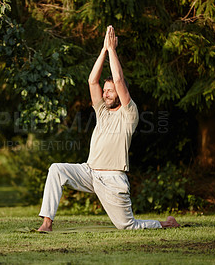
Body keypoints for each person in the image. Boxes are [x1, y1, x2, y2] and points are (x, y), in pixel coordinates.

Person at [37, 25, 180, 232]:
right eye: (105, 91)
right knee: (56, 169)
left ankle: (167, 223)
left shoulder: (129, 113)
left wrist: (113, 50)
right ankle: (47, 223)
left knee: (127, 226)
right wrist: (104, 50)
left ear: (120, 94)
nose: (106, 94)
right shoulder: (102, 112)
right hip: (89, 172)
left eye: (110, 91)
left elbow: (120, 80)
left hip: (113, 179)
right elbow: (91, 80)